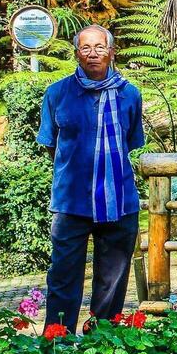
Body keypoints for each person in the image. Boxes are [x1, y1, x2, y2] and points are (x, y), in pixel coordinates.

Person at [38, 25, 145, 331]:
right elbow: (51, 144)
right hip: (71, 202)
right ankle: (58, 341)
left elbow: (132, 142)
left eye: (100, 47)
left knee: (112, 280)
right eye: (86, 48)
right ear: (77, 54)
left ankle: (102, 338)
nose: (93, 54)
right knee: (63, 276)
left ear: (112, 52)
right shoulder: (57, 94)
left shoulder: (129, 95)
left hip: (119, 201)